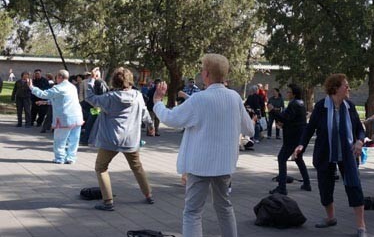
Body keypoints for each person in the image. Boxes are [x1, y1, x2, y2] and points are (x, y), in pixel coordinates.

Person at [153, 53, 254, 237]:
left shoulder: (199, 99)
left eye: (202, 70)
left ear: (206, 74)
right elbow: (250, 129)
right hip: (224, 164)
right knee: (224, 206)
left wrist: (158, 103)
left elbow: (172, 119)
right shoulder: (235, 98)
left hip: (200, 164)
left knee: (192, 212)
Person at [294, 73, 367, 237]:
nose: (348, 88)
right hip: (325, 153)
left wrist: (360, 141)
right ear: (335, 89)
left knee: (354, 187)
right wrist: (301, 145)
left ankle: (361, 227)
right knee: (325, 188)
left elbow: (360, 130)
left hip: (347, 154)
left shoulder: (350, 106)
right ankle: (330, 218)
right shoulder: (321, 107)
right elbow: (309, 128)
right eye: (345, 85)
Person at [85, 67, 154, 211]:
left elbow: (90, 98)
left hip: (110, 140)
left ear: (114, 81)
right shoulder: (138, 96)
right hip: (131, 140)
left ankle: (108, 201)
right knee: (137, 167)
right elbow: (145, 113)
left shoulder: (110, 97)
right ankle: (148, 195)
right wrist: (151, 125)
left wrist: (91, 80)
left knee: (101, 167)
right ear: (130, 80)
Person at [29, 70, 83, 164]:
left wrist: (31, 87)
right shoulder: (72, 87)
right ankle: (71, 157)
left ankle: (60, 158)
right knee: (74, 140)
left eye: (57, 77)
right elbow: (63, 100)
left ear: (60, 77)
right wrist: (45, 102)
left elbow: (44, 94)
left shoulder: (58, 88)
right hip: (77, 117)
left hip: (64, 118)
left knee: (60, 139)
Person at [268, 84, 311, 195]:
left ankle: (282, 188)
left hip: (292, 138)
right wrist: (283, 124)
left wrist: (272, 111)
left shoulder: (294, 104)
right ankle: (307, 183)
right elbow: (291, 120)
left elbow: (284, 118)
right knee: (298, 159)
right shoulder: (300, 104)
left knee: (281, 158)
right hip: (298, 137)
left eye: (289, 92)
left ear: (294, 94)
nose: (287, 93)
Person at [80, 67, 108, 145]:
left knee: (90, 123)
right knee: (91, 122)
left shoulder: (98, 82)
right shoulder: (100, 82)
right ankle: (86, 139)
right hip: (98, 107)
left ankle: (85, 139)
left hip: (96, 106)